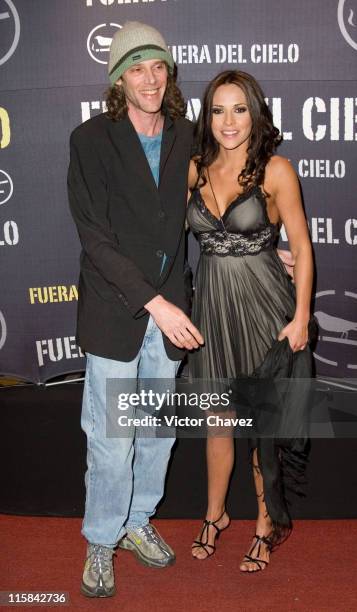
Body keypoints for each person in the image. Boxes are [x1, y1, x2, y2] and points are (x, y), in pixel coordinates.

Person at [68, 21, 203, 598]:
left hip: (169, 311)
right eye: (136, 67)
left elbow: (214, 201)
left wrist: (273, 250)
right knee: (111, 438)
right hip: (117, 310)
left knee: (155, 433)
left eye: (158, 66)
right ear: (118, 78)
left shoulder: (187, 134)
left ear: (168, 73)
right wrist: (155, 303)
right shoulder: (91, 139)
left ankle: (137, 521)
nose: (149, 78)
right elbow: (94, 238)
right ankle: (102, 538)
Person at [187, 70, 314, 572]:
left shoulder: (275, 169)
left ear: (256, 112)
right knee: (218, 421)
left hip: (264, 308)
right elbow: (164, 234)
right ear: (208, 117)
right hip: (213, 310)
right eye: (218, 110)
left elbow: (302, 247)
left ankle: (265, 522)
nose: (229, 121)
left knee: (261, 425)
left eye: (239, 109)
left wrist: (302, 315)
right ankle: (215, 514)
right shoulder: (194, 169)